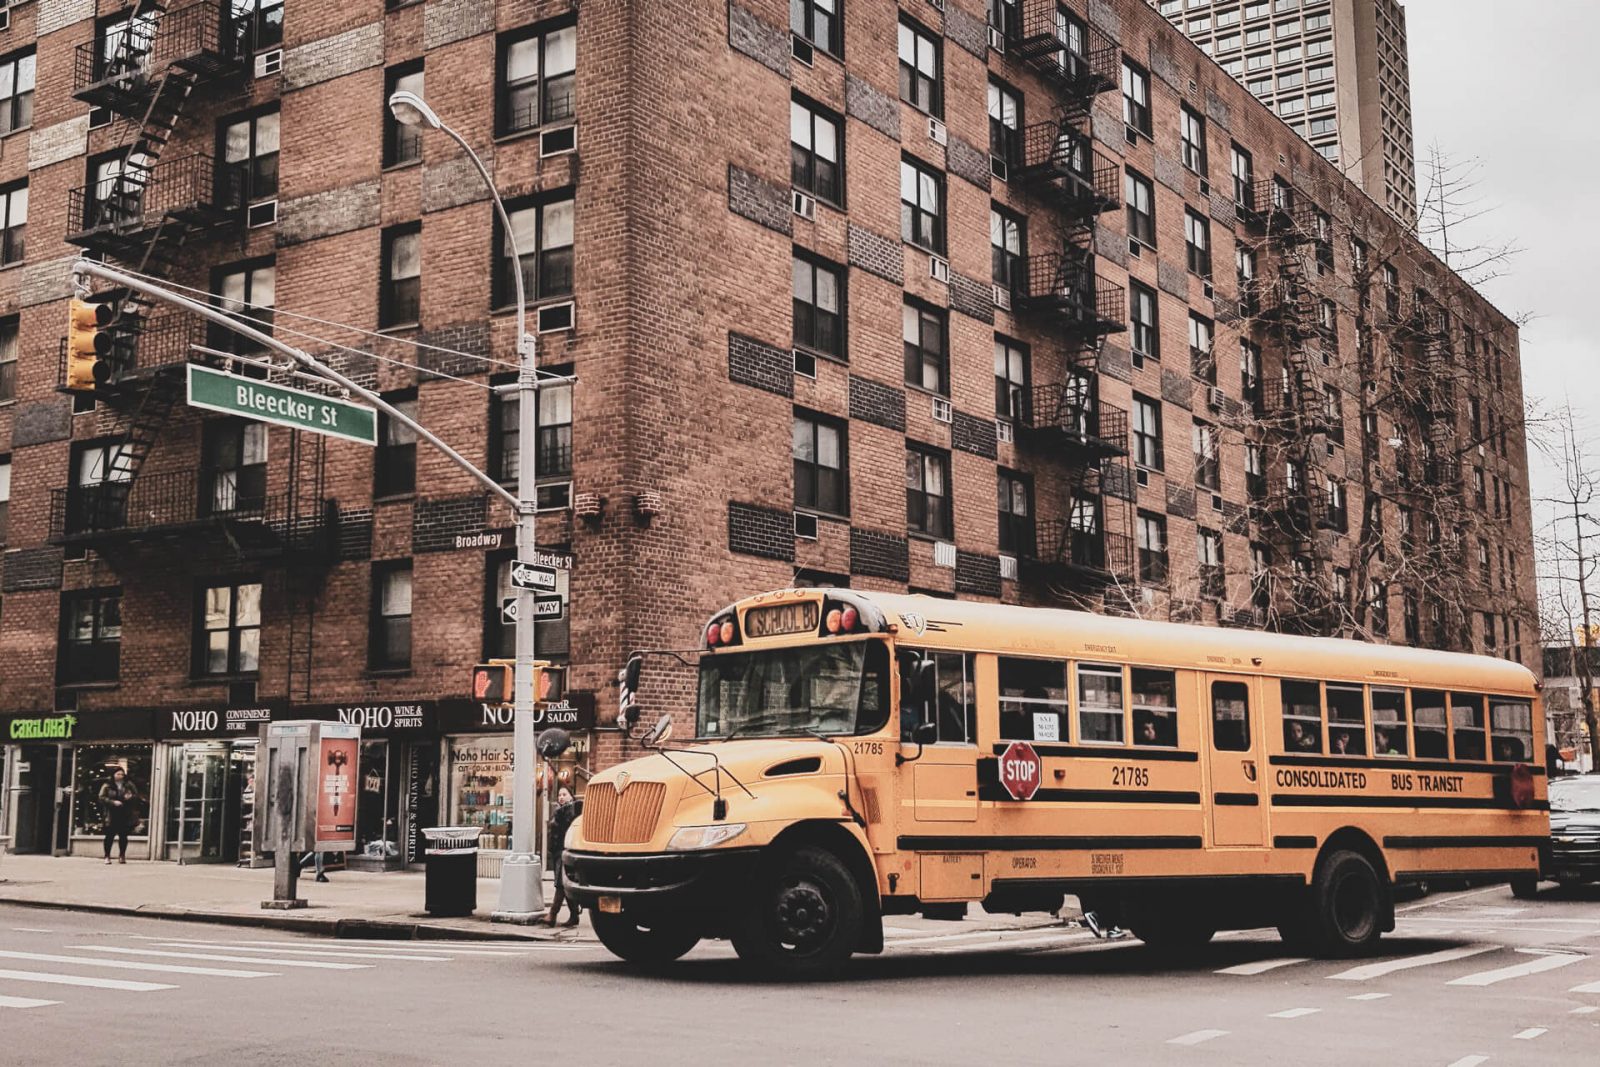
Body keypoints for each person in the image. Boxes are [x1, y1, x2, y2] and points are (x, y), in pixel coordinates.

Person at [544, 787, 584, 927]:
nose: (561, 797)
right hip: (558, 853)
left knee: (561, 884)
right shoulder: (560, 811)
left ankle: (552, 914)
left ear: (571, 797)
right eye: (559, 794)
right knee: (564, 884)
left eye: (564, 794)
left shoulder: (569, 811)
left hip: (565, 852)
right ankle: (574, 915)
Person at [98, 767, 139, 864]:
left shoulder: (128, 784)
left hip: (124, 812)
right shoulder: (107, 785)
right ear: (113, 775)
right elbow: (101, 797)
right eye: (118, 774)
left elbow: (136, 795)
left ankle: (122, 855)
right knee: (109, 835)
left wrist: (130, 797)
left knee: (123, 835)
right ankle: (107, 855)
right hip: (111, 813)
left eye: (122, 774)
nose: (120, 776)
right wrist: (112, 802)